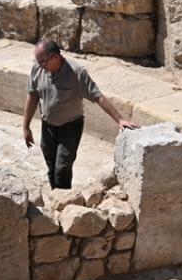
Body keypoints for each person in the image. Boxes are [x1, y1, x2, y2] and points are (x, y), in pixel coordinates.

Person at [23, 39, 137, 189]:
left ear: (56, 57)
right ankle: (56, 197)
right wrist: (26, 127)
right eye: (38, 61)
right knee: (51, 166)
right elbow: (32, 97)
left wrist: (120, 120)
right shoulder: (37, 70)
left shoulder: (77, 72)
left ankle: (63, 200)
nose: (40, 65)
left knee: (62, 167)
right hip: (48, 126)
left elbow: (98, 96)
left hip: (70, 127)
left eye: (43, 62)